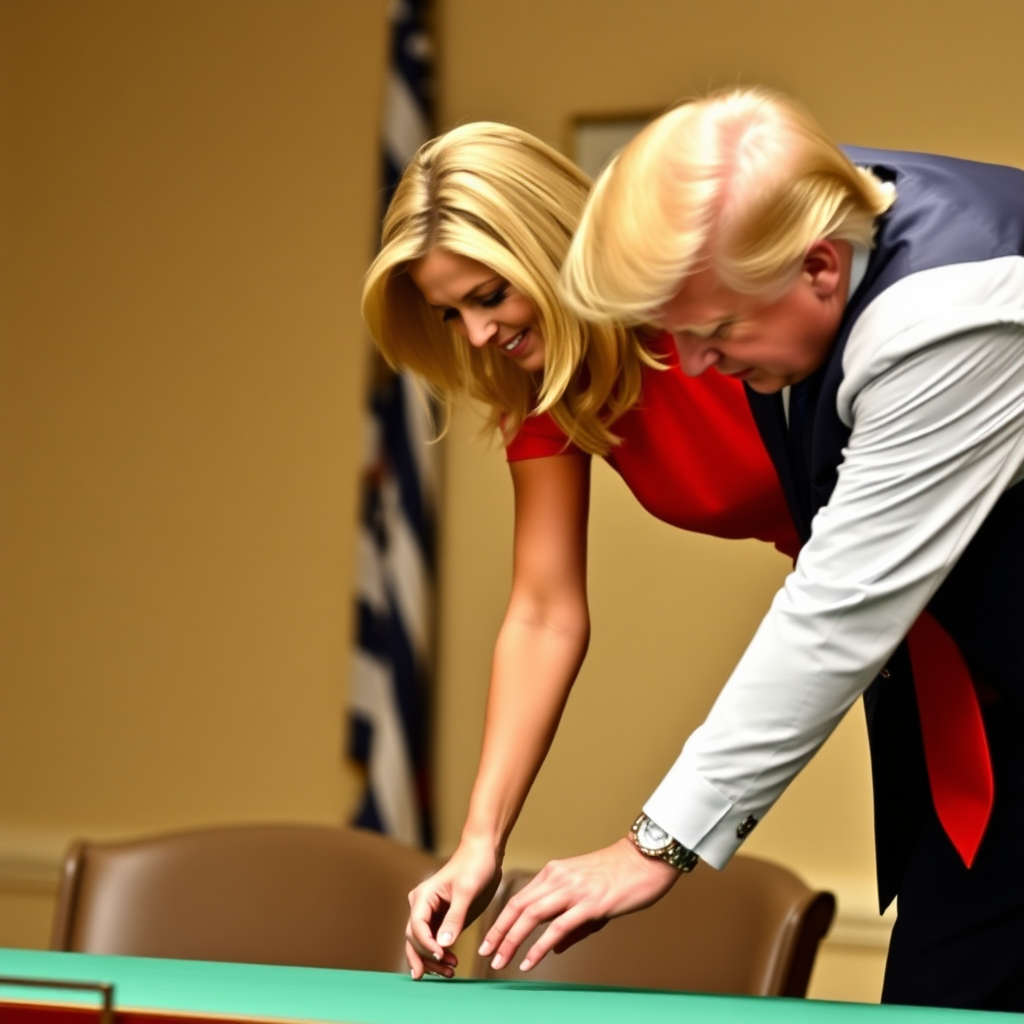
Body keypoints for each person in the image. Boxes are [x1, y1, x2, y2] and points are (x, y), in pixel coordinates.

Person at [481, 89, 1024, 1012]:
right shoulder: (793, 215)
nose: (694, 368)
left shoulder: (951, 312)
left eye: (714, 333)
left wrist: (655, 844)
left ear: (819, 268)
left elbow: (840, 606)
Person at [361, 121, 800, 982]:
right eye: (452, 314)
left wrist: (657, 843)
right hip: (895, 648)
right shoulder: (548, 391)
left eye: (491, 295)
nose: (477, 335)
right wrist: (479, 841)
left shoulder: (711, 301)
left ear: (550, 246)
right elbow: (543, 611)